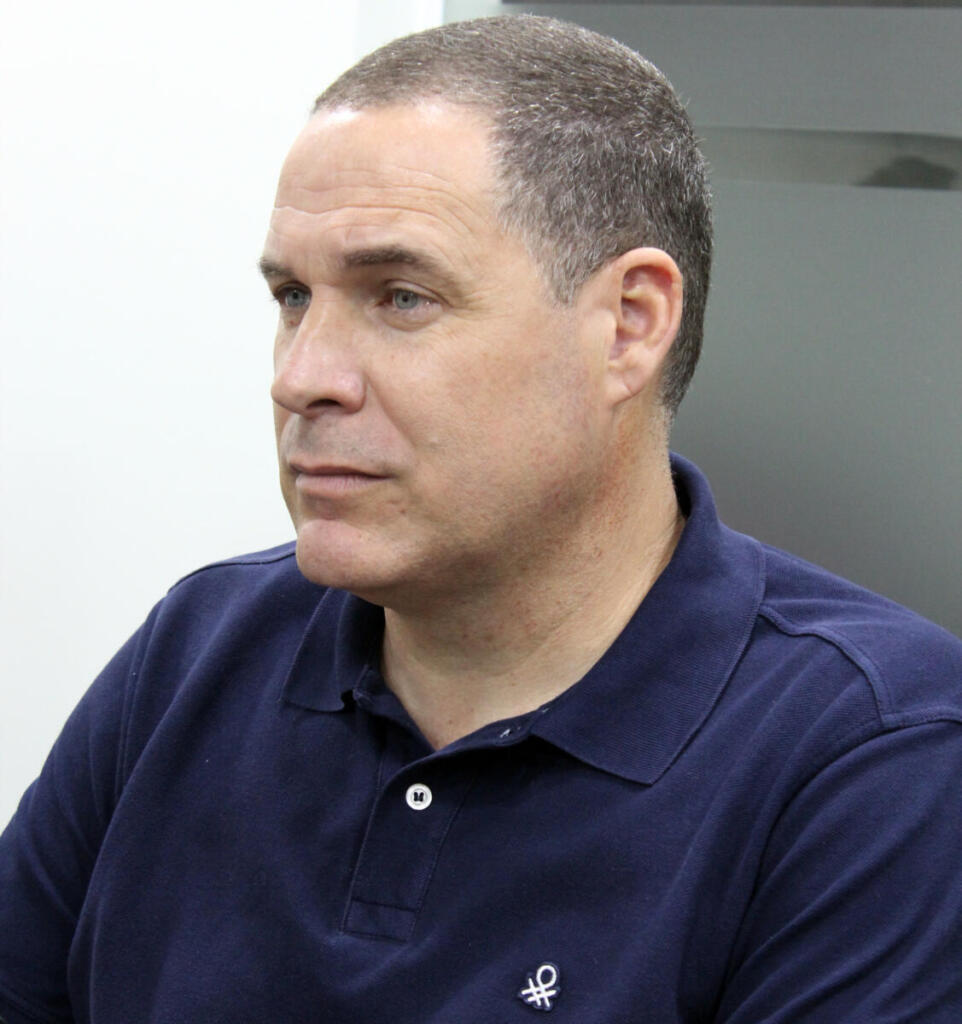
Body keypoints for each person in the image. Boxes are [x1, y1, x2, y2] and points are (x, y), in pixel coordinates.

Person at [1, 14, 960, 1023]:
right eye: (292, 297)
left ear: (628, 325)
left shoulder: (878, 758)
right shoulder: (197, 651)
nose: (301, 377)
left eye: (401, 297)